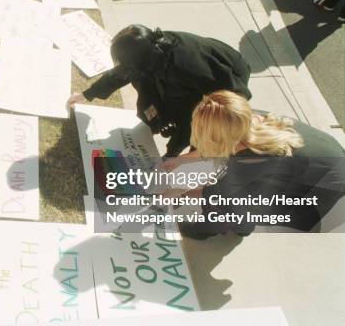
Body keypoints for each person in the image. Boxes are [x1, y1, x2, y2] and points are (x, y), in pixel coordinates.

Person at [172, 90, 345, 239]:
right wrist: (179, 162)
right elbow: (213, 150)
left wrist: (187, 207)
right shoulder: (240, 117)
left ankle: (226, 230)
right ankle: (243, 228)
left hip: (329, 177)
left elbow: (219, 192)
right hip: (326, 148)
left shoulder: (252, 160)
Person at [68, 25, 252, 158]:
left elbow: (230, 96)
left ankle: (182, 159)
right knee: (150, 102)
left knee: (198, 124)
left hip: (226, 77)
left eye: (131, 67)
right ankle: (162, 130)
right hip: (178, 73)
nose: (127, 71)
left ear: (146, 62)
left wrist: (173, 154)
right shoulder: (146, 51)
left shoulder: (188, 66)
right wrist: (87, 94)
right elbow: (121, 73)